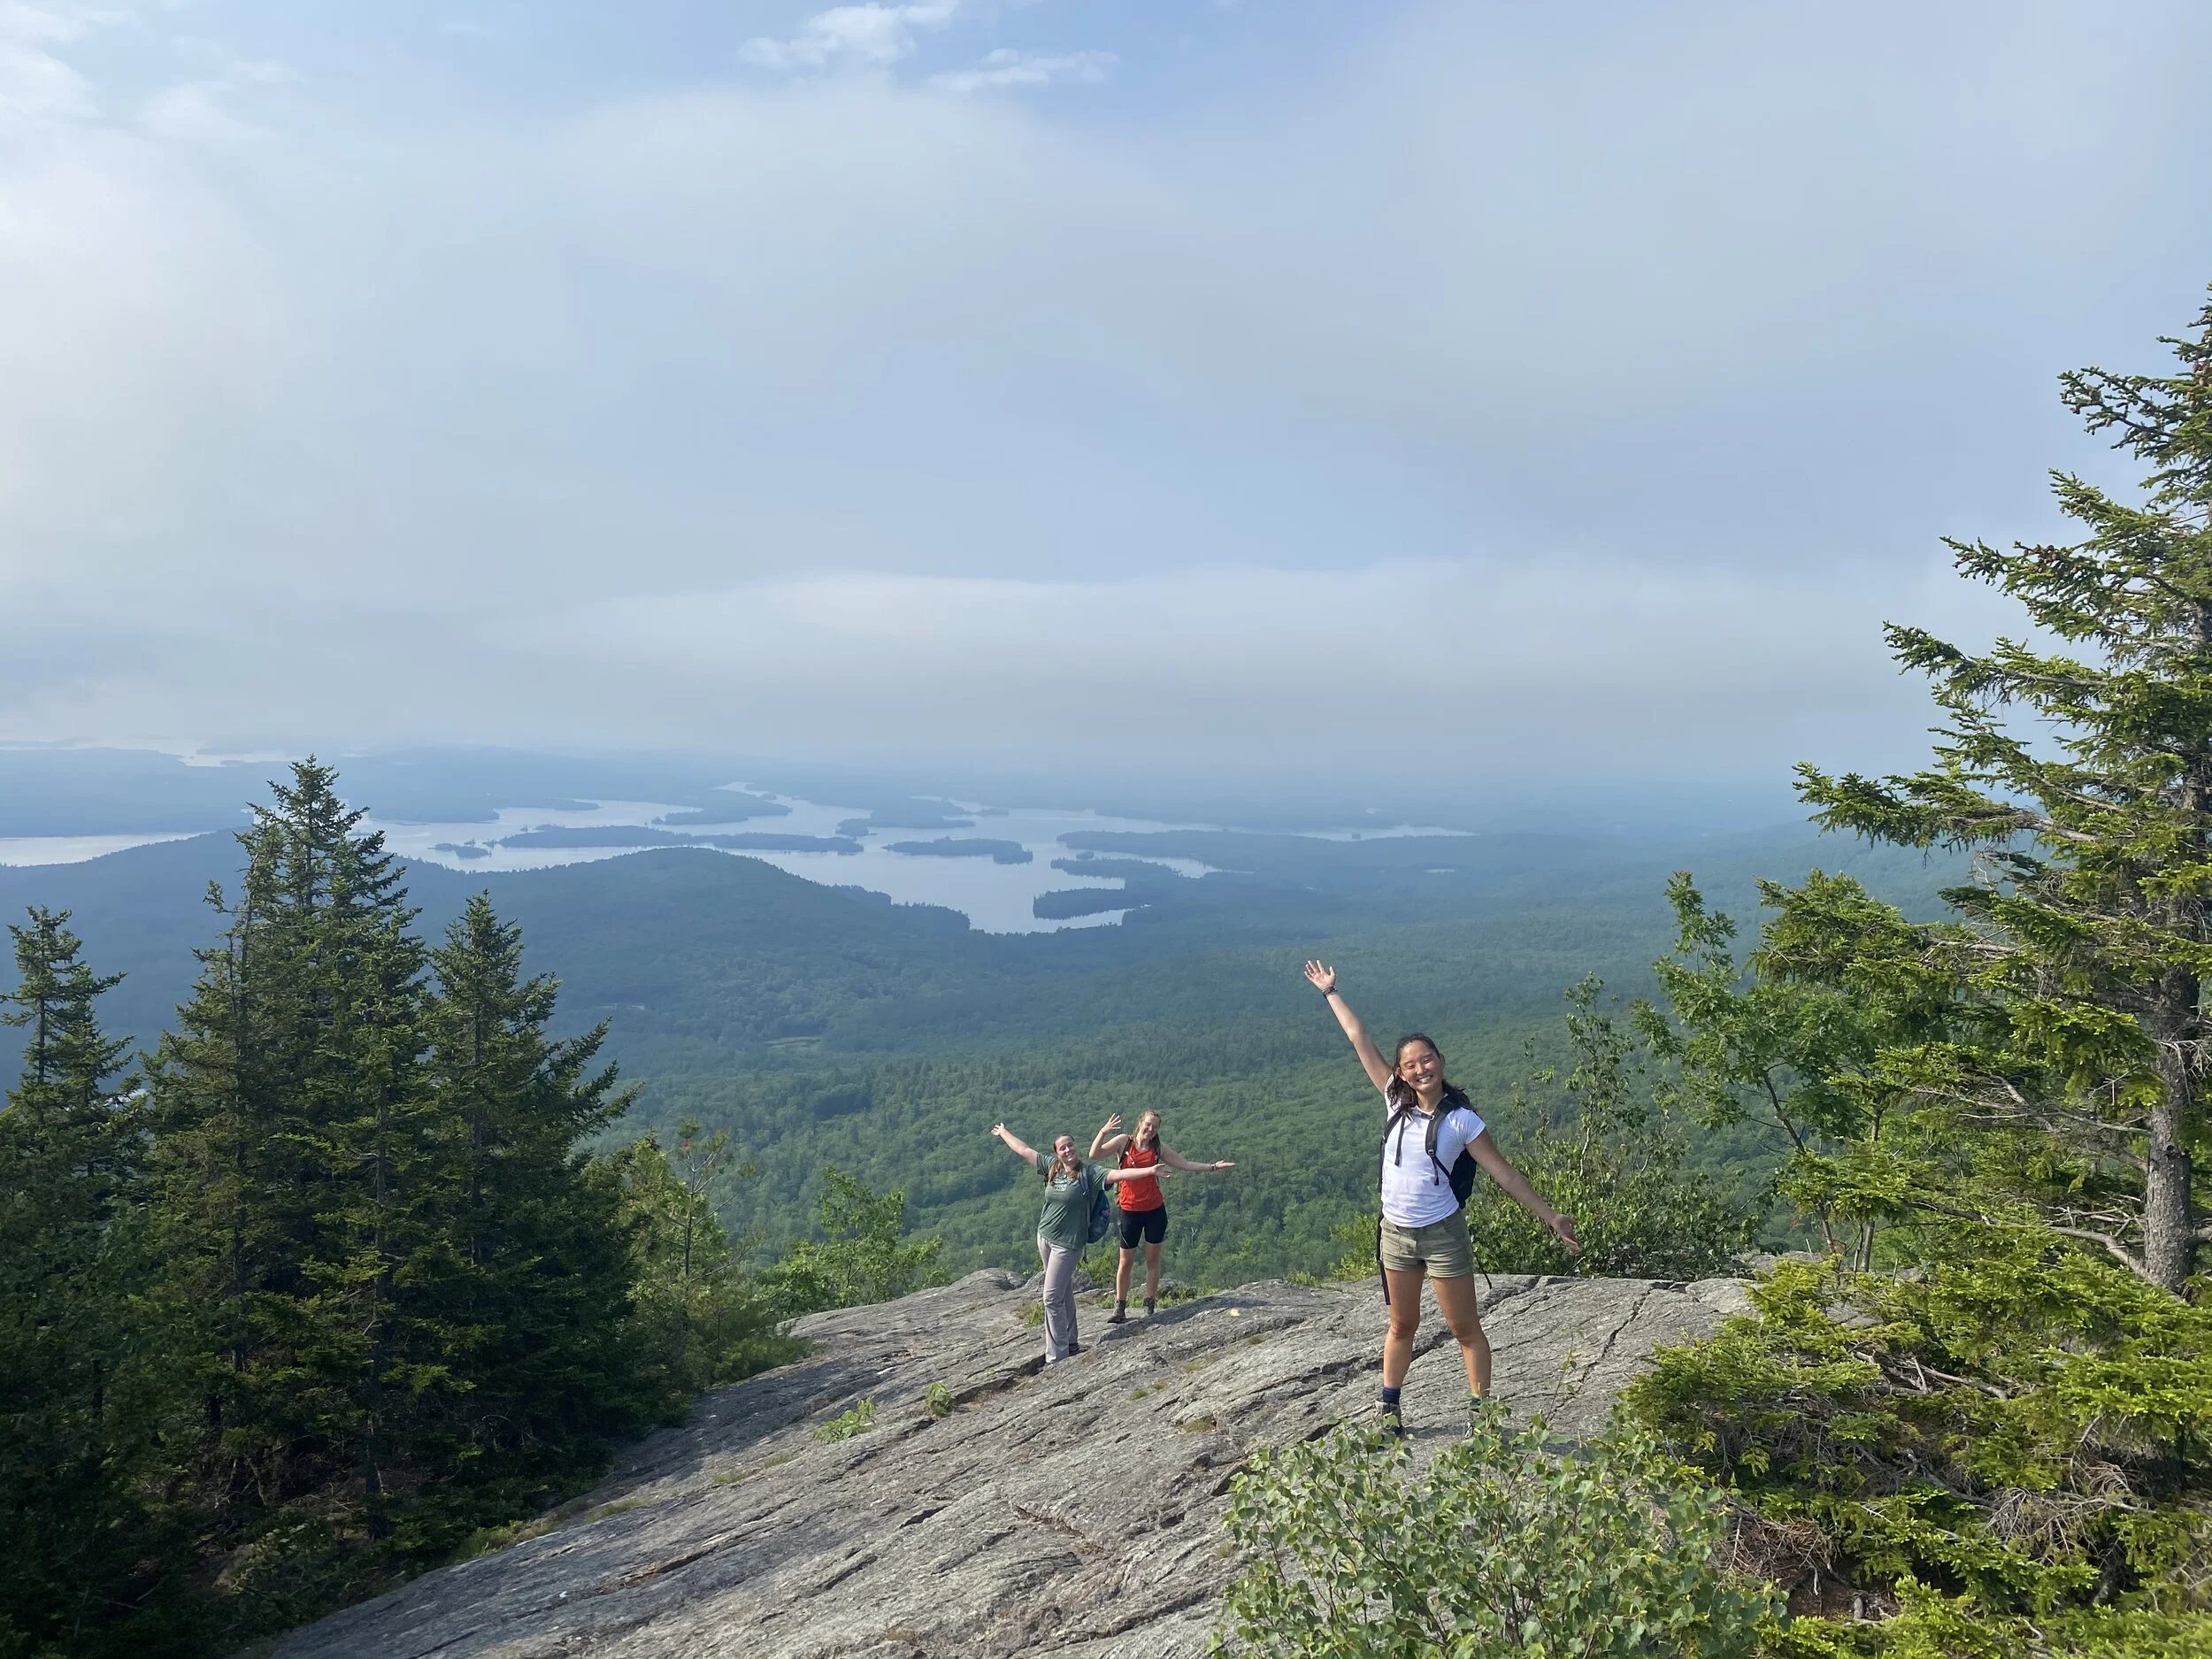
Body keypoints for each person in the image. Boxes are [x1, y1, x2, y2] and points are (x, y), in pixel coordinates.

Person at [1302, 959, 1580, 1434]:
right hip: (1395, 1232)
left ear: (1441, 1062)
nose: (1419, 1068)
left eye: (1426, 1059)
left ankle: (1482, 1415)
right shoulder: (1394, 1098)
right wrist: (1331, 992)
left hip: (1442, 1234)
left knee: (1464, 1328)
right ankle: (1390, 1410)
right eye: (1409, 1064)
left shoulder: (1462, 1121)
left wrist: (1550, 1216)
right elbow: (1359, 1039)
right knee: (1401, 1326)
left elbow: (1505, 1174)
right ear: (1401, 1073)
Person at [990, 1123, 1166, 1363]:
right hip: (1045, 1237)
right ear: (1057, 1153)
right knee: (1062, 1293)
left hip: (1068, 1244)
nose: (1068, 1150)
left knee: (1050, 1297)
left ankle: (1057, 1355)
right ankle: (1070, 1343)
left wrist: (1148, 1171)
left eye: (1070, 1145)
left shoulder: (1090, 1174)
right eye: (1062, 1148)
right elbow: (1023, 1149)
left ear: (1076, 1147)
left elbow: (1119, 1174)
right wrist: (1003, 1133)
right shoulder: (1051, 1168)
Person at [1087, 1110, 1233, 1323]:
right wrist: (1103, 1131)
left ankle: (1149, 1304)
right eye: (1148, 1124)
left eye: (1155, 1127)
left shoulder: (1158, 1149)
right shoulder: (1123, 1143)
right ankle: (1120, 1308)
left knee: (1152, 1258)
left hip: (1155, 1210)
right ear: (1140, 1123)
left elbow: (1186, 1164)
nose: (1150, 1129)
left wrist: (1213, 1167)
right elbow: (1094, 1154)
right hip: (1129, 1210)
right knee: (1125, 1261)